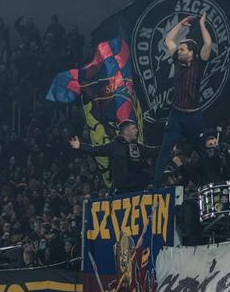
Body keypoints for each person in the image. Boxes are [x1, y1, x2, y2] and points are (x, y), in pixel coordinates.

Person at [154, 11, 213, 184]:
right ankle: (155, 183)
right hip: (176, 115)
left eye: (182, 49)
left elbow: (208, 43)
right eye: (179, 49)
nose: (178, 51)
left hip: (193, 116)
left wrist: (202, 24)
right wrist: (180, 24)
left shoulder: (200, 63)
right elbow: (168, 40)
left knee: (201, 149)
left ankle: (209, 181)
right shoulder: (177, 60)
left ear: (192, 53)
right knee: (165, 147)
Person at [69, 120, 156, 193]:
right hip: (122, 188)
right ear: (126, 131)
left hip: (139, 186)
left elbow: (152, 151)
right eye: (134, 128)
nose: (137, 130)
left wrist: (165, 148)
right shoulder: (114, 146)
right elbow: (96, 149)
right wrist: (80, 146)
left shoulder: (137, 146)